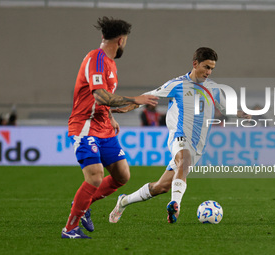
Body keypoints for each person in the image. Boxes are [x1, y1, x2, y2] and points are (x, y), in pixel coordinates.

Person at [109, 47, 250, 224]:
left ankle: (124, 201)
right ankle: (175, 205)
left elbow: (224, 108)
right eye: (206, 67)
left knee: (161, 187)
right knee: (184, 160)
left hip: (198, 146)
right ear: (195, 64)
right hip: (179, 136)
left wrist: (241, 113)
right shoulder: (177, 84)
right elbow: (149, 96)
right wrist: (129, 105)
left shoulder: (213, 88)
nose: (209, 72)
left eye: (212, 68)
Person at [61, 17, 158, 239]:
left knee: (122, 175)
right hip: (85, 126)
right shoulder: (97, 58)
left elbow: (100, 99)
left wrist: (111, 117)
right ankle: (70, 228)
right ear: (121, 40)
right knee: (95, 177)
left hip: (103, 125)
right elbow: (100, 95)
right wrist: (136, 99)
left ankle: (83, 204)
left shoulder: (110, 64)